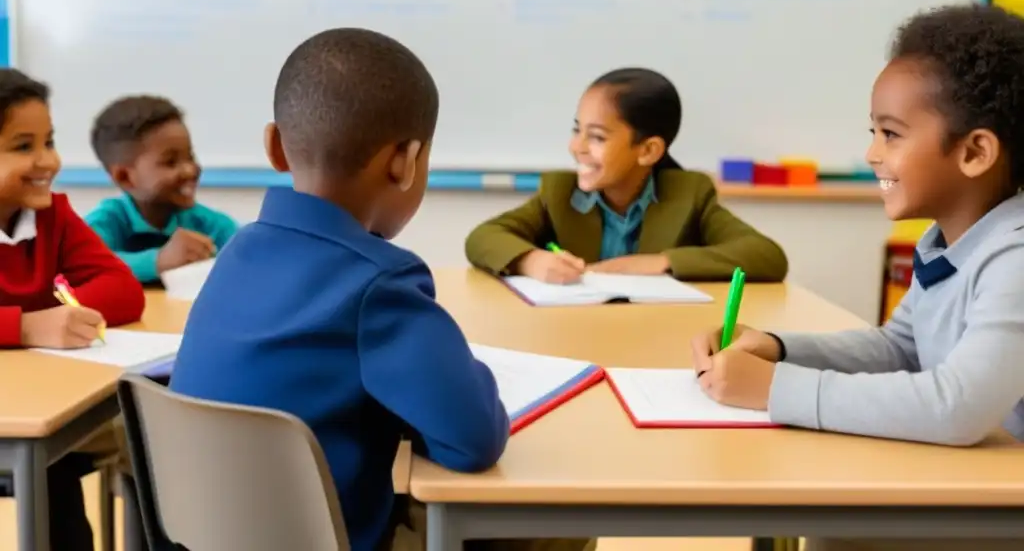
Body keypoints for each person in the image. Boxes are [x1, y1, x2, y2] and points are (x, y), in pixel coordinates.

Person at [169, 28, 595, 551]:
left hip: (203, 538)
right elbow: (473, 441)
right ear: (405, 162)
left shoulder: (237, 252)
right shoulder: (380, 283)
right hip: (331, 541)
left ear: (275, 147)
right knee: (555, 529)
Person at [691, 3, 1024, 551]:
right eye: (874, 132)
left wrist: (776, 390)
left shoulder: (1015, 257)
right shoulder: (949, 241)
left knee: (835, 523)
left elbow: (959, 406)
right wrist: (778, 350)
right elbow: (901, 347)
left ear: (974, 152)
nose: (871, 154)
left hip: (1001, 508)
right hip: (973, 485)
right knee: (826, 514)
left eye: (891, 134)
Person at [465, 67, 788, 284]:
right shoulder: (559, 193)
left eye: (597, 137)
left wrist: (661, 261)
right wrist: (529, 261)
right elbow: (482, 238)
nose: (577, 147)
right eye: (577, 130)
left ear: (647, 151)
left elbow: (767, 256)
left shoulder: (689, 194)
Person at [0, 69, 145, 550]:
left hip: (41, 412)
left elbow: (124, 289)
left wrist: (65, 315)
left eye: (49, 141)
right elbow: (33, 325)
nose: (49, 161)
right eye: (24, 146)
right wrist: (25, 326)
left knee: (58, 484)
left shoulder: (51, 215)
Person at [85, 95, 239, 284]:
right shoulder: (107, 222)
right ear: (124, 177)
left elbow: (248, 268)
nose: (190, 170)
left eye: (190, 157)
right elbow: (83, 267)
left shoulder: (214, 227)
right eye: (170, 162)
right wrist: (159, 261)